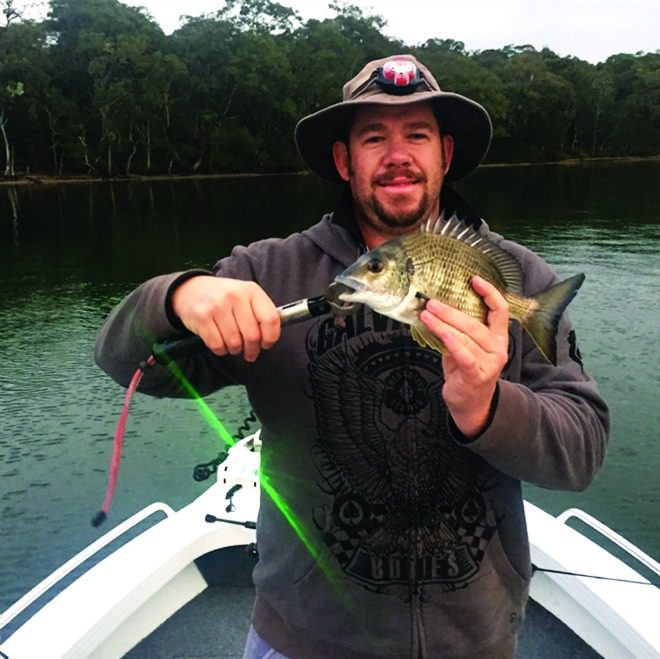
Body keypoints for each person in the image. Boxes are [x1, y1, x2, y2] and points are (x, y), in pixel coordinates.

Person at [95, 54, 609, 658]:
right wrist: (176, 296)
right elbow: (127, 363)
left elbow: (581, 454)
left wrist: (489, 407)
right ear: (345, 160)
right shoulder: (269, 271)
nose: (398, 155)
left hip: (473, 641)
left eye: (417, 135)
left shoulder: (514, 277)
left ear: (444, 154)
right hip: (304, 639)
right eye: (374, 137)